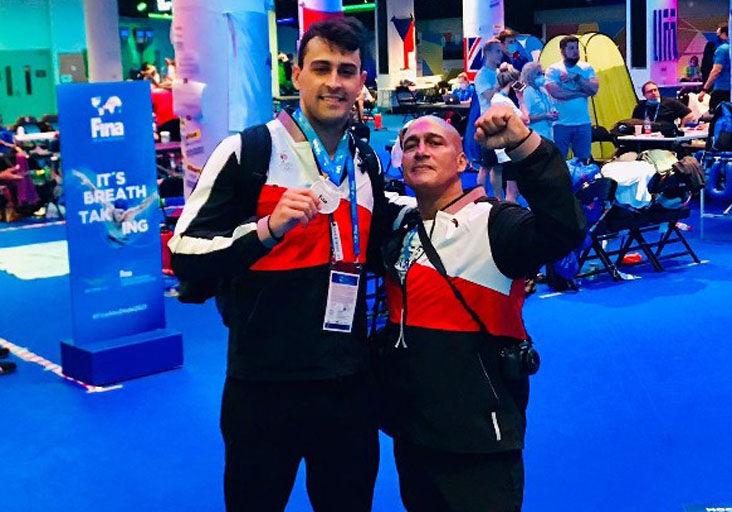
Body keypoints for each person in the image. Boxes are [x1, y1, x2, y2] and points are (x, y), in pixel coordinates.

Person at [168, 17, 391, 512]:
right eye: (322, 68)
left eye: (347, 71)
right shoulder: (248, 150)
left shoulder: (365, 162)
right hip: (264, 385)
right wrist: (265, 230)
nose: (334, 82)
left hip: (348, 385)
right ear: (297, 76)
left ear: (361, 82)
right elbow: (184, 252)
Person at [377, 110, 586, 512]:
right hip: (414, 437)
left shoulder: (495, 223)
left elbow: (564, 227)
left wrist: (524, 145)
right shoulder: (399, 225)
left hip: (480, 444)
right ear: (399, 162)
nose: (420, 151)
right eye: (410, 145)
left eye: (435, 143)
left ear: (462, 161)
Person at [546, 35, 599, 164]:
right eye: (571, 48)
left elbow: (593, 90)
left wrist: (576, 77)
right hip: (561, 124)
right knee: (559, 161)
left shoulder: (586, 68)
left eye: (577, 48)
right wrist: (581, 93)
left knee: (583, 161)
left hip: (583, 123)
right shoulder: (554, 69)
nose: (575, 51)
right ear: (563, 51)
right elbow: (557, 93)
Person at [488, 63, 529, 202]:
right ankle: (511, 213)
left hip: (504, 147)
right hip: (510, 148)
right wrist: (521, 99)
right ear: (513, 83)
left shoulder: (496, 98)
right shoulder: (505, 101)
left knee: (509, 185)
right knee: (512, 189)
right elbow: (526, 119)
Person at [520, 61, 558, 141]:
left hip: (549, 132)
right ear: (530, 76)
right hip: (538, 134)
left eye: (542, 73)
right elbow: (527, 118)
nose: (542, 76)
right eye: (538, 74)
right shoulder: (528, 92)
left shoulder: (542, 89)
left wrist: (553, 113)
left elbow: (549, 105)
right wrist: (545, 116)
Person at [698, 25, 730, 113]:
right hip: (729, 89)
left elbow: (716, 71)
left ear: (724, 34)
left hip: (722, 90)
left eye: (718, 35)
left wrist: (704, 90)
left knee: (718, 119)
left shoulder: (722, 49)